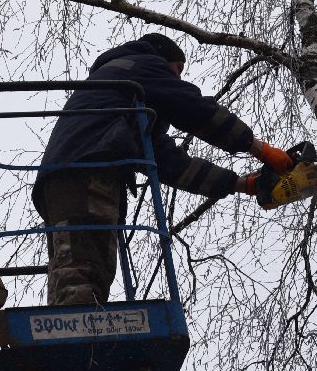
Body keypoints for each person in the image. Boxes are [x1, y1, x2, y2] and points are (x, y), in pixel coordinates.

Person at [32, 32, 298, 305]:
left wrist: (242, 184)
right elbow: (193, 109)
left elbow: (169, 162)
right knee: (85, 270)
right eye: (178, 69)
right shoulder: (142, 64)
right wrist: (259, 148)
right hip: (88, 171)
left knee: (75, 267)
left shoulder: (120, 99)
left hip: (65, 177)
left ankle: (69, 336)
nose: (178, 78)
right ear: (162, 59)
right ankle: (81, 339)